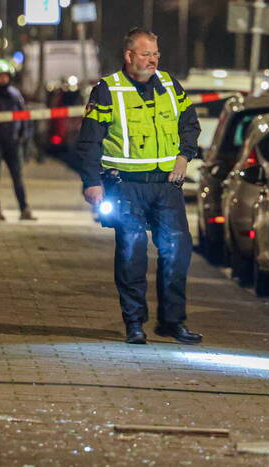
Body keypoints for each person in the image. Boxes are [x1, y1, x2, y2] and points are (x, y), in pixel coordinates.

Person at [76, 28, 202, 345]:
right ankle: (134, 323)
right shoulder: (107, 90)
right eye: (146, 54)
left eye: (156, 54)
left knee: (177, 252)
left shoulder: (171, 85)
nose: (153, 60)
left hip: (166, 185)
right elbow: (89, 140)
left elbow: (190, 123)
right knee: (132, 254)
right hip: (125, 185)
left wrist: (185, 156)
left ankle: (172, 322)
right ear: (129, 56)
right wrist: (92, 182)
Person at [0, 59, 36, 221]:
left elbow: (24, 116)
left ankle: (24, 209)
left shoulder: (15, 94)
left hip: (13, 143)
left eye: (5, 76)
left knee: (18, 177)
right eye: (0, 76)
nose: (3, 79)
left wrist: (21, 136)